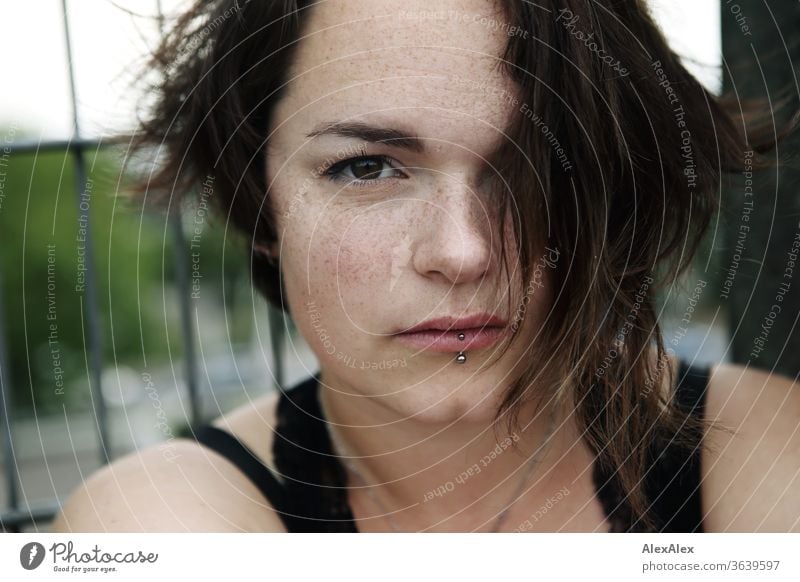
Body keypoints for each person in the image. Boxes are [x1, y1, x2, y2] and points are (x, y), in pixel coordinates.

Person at [52, 0, 800, 533]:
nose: (460, 251)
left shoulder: (767, 453)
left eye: (532, 167)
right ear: (260, 204)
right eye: (366, 168)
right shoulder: (161, 522)